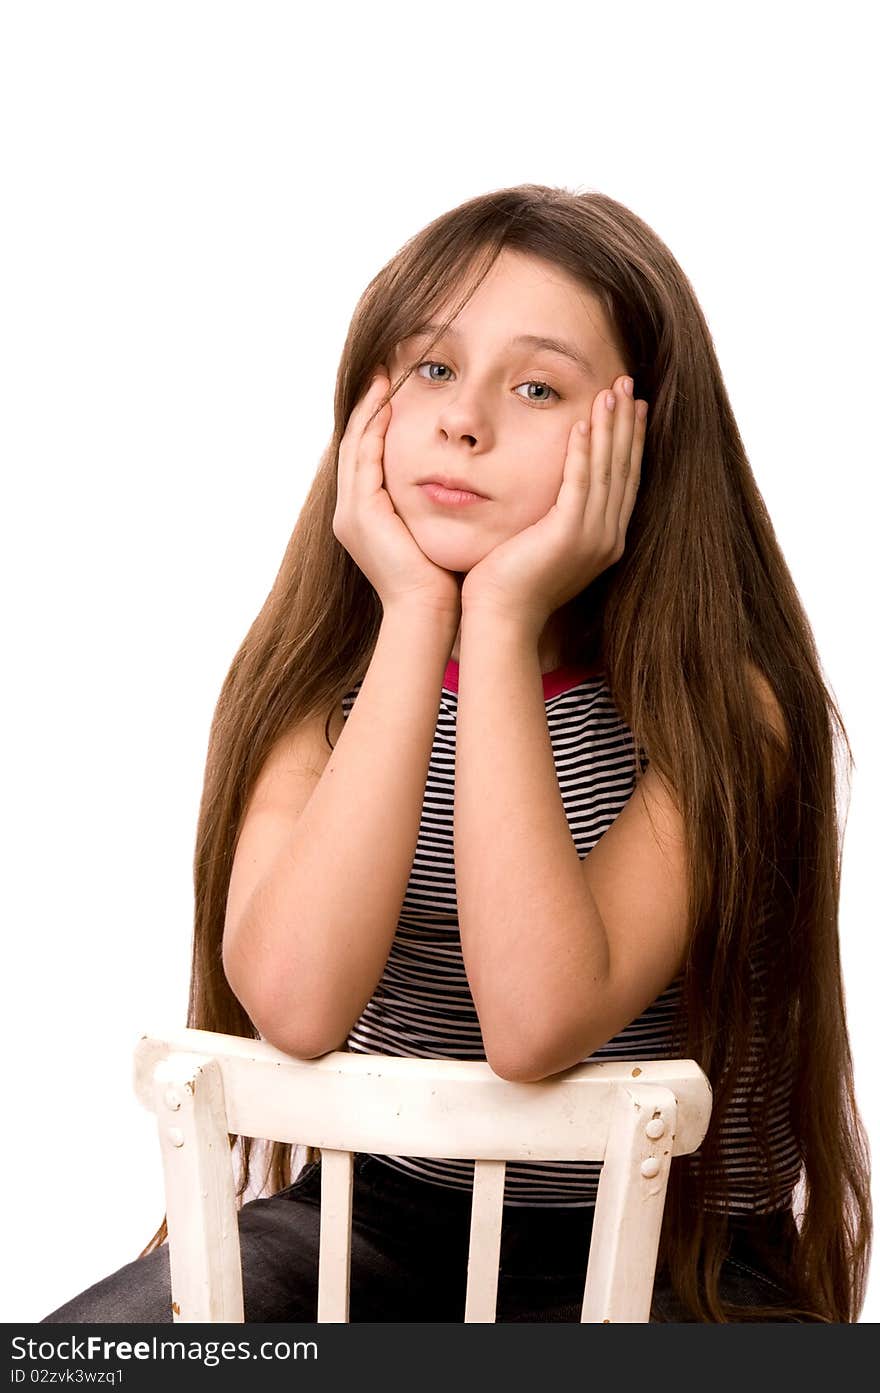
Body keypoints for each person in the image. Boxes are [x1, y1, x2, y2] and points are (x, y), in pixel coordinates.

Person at [42, 183, 871, 1323]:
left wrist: (501, 620)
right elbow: (294, 1003)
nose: (465, 419)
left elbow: (536, 1022)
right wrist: (416, 615)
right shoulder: (313, 696)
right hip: (385, 1222)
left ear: (645, 439)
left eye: (536, 386)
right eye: (430, 368)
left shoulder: (730, 714)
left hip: (674, 1248)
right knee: (88, 1351)